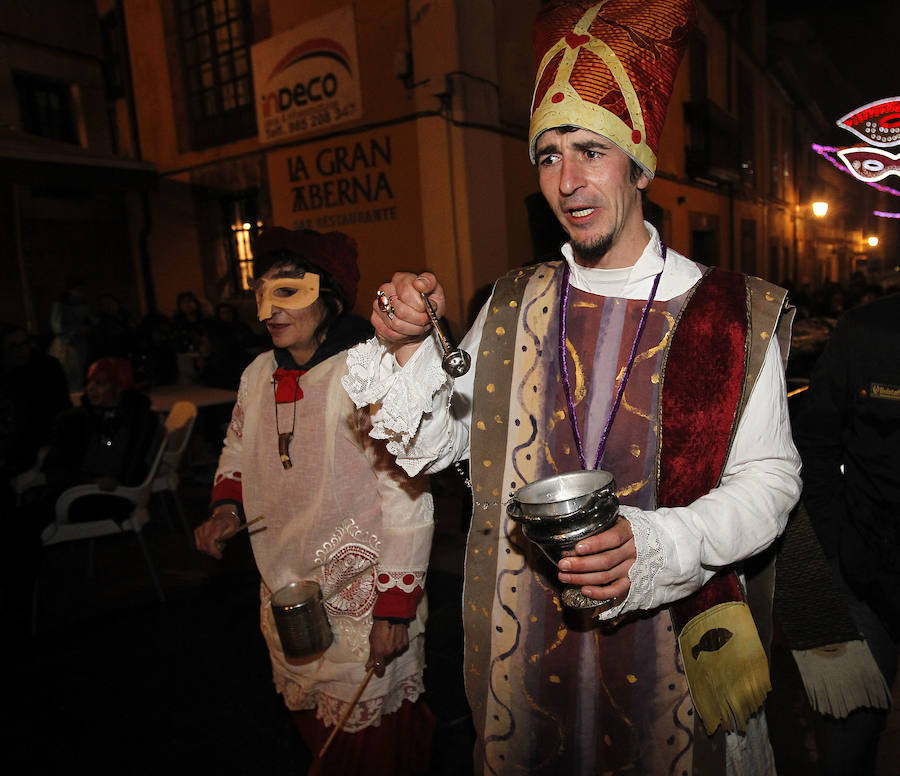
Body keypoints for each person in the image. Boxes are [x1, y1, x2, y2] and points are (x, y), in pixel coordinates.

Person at [342, 1, 801, 773]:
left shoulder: (727, 310)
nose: (569, 180)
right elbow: (446, 443)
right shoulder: (513, 299)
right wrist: (413, 346)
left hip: (671, 646)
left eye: (592, 150)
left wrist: (657, 544)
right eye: (549, 156)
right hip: (525, 654)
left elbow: (772, 479)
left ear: (642, 165)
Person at [193, 227, 436, 775]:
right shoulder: (258, 374)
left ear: (327, 296)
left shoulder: (367, 373)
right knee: (315, 723)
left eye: (286, 292)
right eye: (261, 294)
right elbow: (237, 446)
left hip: (366, 598)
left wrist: (394, 610)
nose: (267, 311)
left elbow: (407, 497)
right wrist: (226, 510)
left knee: (374, 744)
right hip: (286, 585)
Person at [792, 292, 900, 775]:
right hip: (863, 575)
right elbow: (814, 442)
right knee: (848, 744)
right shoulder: (866, 330)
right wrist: (835, 550)